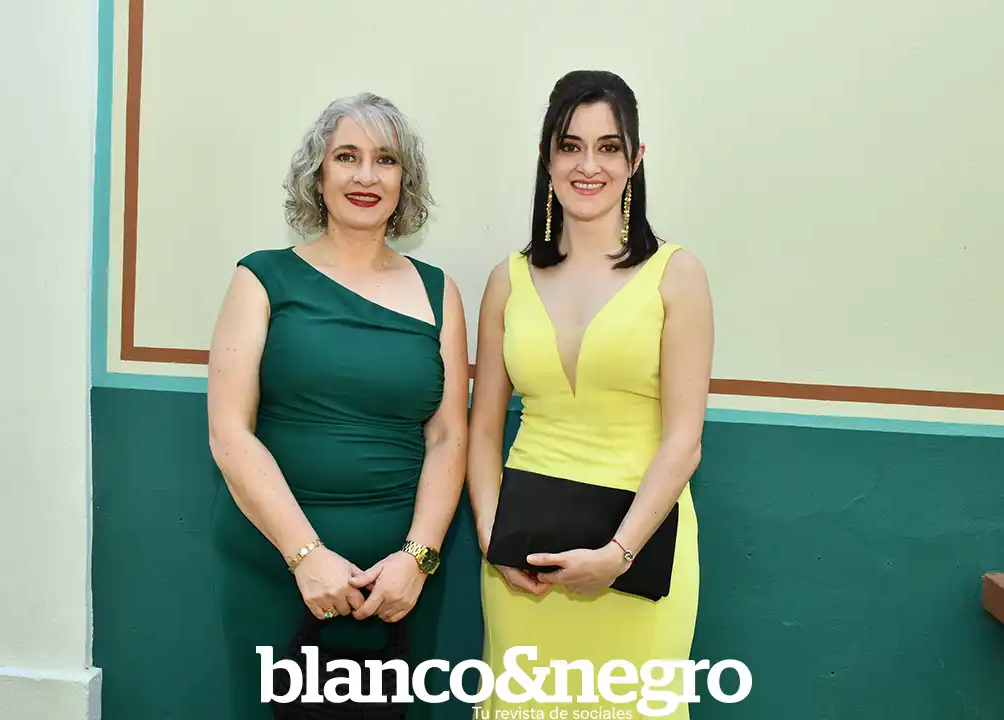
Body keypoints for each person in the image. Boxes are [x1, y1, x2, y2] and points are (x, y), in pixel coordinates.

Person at [206, 92, 468, 720]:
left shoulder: (440, 292)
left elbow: (449, 438)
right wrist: (306, 556)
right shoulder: (261, 277)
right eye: (347, 156)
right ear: (317, 175)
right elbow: (230, 432)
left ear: (405, 180)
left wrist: (417, 560)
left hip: (398, 588)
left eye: (385, 159)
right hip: (275, 570)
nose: (366, 176)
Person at [467, 70, 714, 719]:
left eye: (609, 147)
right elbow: (482, 431)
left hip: (641, 554)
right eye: (570, 146)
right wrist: (493, 541)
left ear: (635, 159)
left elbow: (684, 442)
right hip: (525, 570)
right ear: (546, 157)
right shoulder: (506, 280)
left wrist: (617, 555)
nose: (588, 165)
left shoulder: (677, 275)